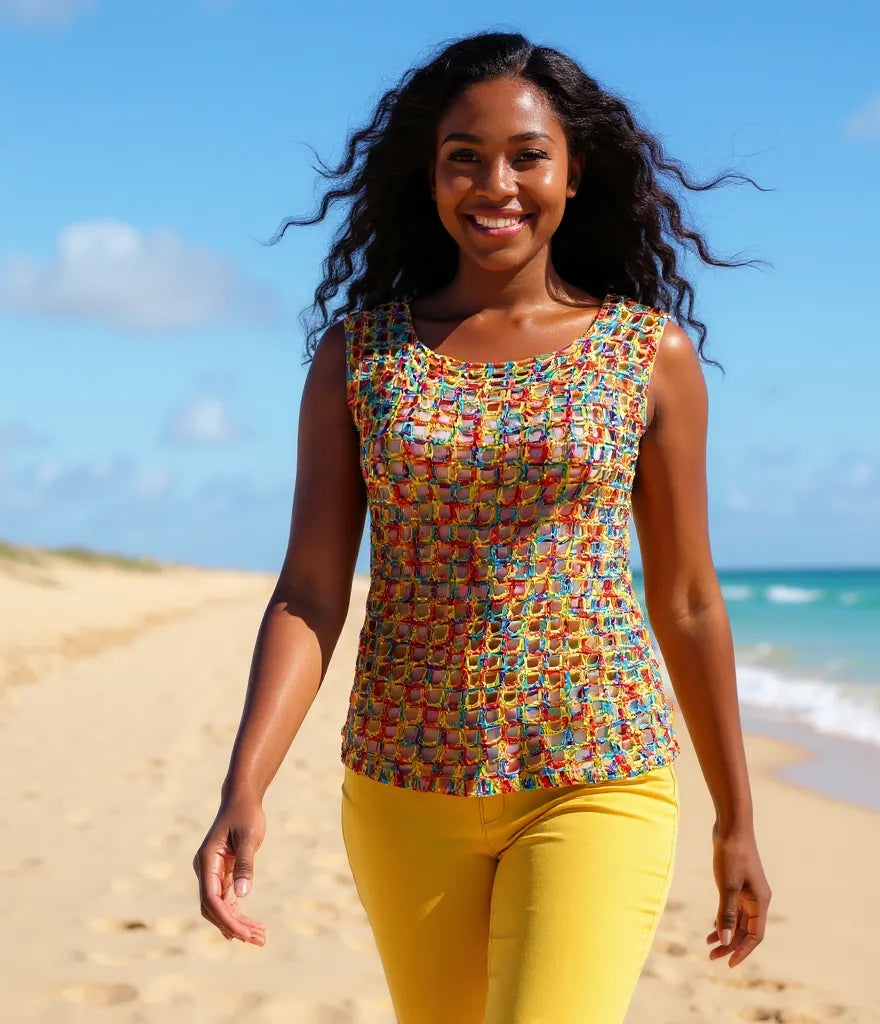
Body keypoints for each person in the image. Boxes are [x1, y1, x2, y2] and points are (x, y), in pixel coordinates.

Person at [193, 29, 771, 1024]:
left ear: (575, 173)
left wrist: (736, 818)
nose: (494, 184)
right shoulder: (359, 355)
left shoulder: (647, 353)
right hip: (405, 781)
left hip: (597, 774)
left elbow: (685, 599)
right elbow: (310, 589)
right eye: (464, 157)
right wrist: (243, 786)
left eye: (526, 155)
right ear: (429, 177)